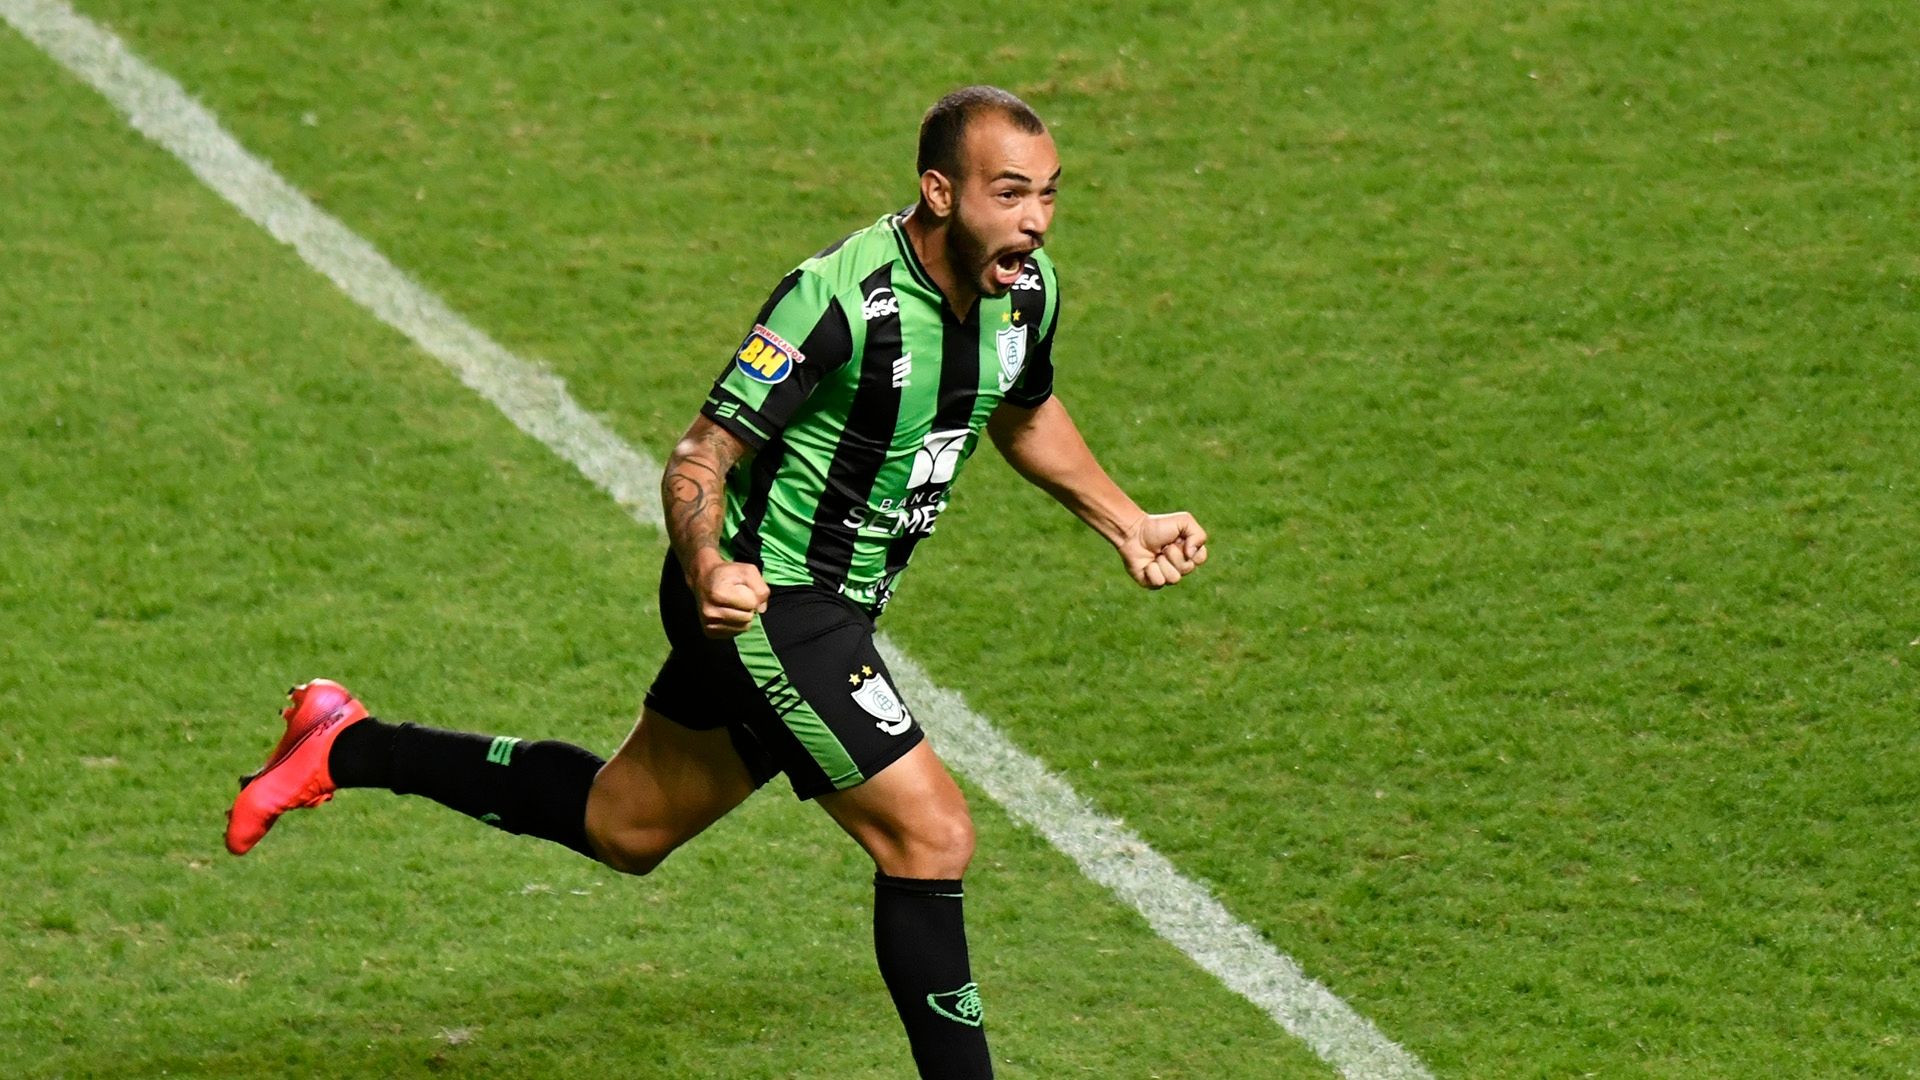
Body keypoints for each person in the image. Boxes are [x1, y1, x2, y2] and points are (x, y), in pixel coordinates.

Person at [225, 85, 1208, 1079]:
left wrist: (1128, 521)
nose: (1035, 220)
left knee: (627, 824)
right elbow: (701, 453)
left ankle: (345, 744)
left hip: (831, 605)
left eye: (1048, 195)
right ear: (940, 192)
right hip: (766, 598)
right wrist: (706, 568)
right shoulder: (836, 301)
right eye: (1010, 194)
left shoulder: (1023, 296)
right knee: (931, 835)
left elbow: (1022, 412)